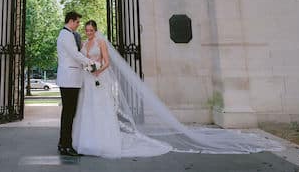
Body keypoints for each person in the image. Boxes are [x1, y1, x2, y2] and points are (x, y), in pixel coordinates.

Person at [71, 20, 283, 158]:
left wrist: (98, 70)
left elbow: (107, 62)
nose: (89, 33)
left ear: (96, 30)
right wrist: (87, 67)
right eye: (86, 30)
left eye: (91, 30)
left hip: (99, 78)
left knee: (102, 110)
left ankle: (105, 141)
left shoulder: (101, 43)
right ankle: (88, 141)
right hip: (89, 81)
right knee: (88, 110)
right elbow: (82, 58)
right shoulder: (84, 44)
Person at [56, 11, 92, 156]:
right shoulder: (66, 35)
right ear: (71, 21)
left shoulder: (66, 34)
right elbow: (75, 54)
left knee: (68, 113)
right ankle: (66, 146)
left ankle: (62, 143)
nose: (78, 25)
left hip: (70, 79)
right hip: (69, 79)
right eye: (77, 22)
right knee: (69, 113)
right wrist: (91, 63)